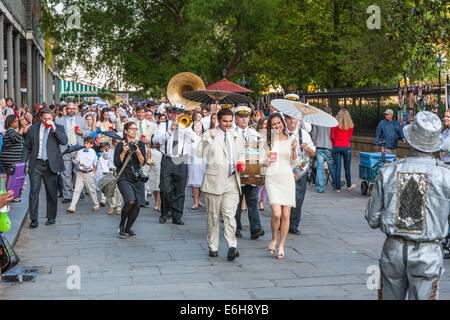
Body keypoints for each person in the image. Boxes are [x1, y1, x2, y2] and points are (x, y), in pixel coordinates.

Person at [366, 111, 450, 300]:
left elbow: (372, 219)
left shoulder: (388, 171)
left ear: (410, 140)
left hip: (393, 250)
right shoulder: (446, 176)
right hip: (428, 252)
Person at [195, 108, 244, 261]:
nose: (228, 124)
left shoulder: (236, 135)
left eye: (230, 121)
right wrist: (209, 138)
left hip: (232, 180)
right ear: (218, 120)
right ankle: (213, 246)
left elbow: (241, 152)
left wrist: (241, 162)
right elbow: (199, 153)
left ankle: (232, 246)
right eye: (225, 121)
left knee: (230, 215)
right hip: (214, 181)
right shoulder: (209, 134)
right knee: (213, 216)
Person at [21, 108, 68, 228]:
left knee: (52, 192)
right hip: (36, 164)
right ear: (41, 118)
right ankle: (34, 219)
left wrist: (54, 128)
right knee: (33, 192)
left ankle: (51, 217)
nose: (47, 120)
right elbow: (27, 146)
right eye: (45, 118)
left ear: (52, 118)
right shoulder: (33, 129)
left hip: (50, 164)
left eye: (49, 118)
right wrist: (22, 163)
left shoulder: (58, 128)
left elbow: (64, 141)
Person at [152, 104, 196, 225]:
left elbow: (195, 139)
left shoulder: (187, 125)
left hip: (181, 159)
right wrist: (171, 130)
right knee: (165, 189)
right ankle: (164, 213)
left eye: (179, 113)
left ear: (183, 114)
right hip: (167, 159)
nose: (176, 116)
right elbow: (156, 141)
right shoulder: (163, 125)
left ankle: (177, 216)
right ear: (170, 113)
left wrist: (185, 128)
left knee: (180, 190)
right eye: (174, 113)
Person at [263, 113, 298, 259]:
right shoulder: (267, 141)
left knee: (286, 214)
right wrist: (267, 159)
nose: (277, 126)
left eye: (279, 123)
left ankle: (281, 244)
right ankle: (274, 238)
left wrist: (295, 149)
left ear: (282, 123)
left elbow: (294, 163)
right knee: (276, 213)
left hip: (287, 177)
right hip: (272, 177)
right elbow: (261, 162)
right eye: (274, 124)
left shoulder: (291, 139)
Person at [233, 106, 265, 240]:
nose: (244, 119)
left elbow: (262, 152)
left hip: (251, 170)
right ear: (236, 119)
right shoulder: (230, 133)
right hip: (235, 171)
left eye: (246, 116)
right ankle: (236, 228)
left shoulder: (255, 134)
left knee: (252, 200)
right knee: (236, 201)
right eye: (241, 116)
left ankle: (255, 229)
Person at [284, 114, 315, 236]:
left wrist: (307, 148)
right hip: (285, 169)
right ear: (285, 120)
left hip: (299, 171)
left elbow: (312, 154)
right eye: (289, 118)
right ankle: (284, 222)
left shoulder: (303, 134)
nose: (292, 121)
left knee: (298, 198)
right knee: (284, 198)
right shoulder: (281, 133)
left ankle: (294, 225)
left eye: (294, 118)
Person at [114, 122, 147, 238]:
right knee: (130, 201)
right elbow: (117, 163)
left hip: (138, 177)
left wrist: (138, 152)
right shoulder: (120, 145)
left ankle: (128, 228)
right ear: (126, 131)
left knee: (138, 204)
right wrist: (123, 151)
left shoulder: (140, 144)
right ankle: (122, 226)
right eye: (131, 129)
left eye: (136, 129)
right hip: (124, 177)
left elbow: (143, 162)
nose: (134, 131)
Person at [55, 102, 91, 203]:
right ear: (66, 109)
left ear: (76, 109)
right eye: (69, 108)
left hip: (78, 149)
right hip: (65, 150)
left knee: (79, 171)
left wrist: (82, 132)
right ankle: (67, 195)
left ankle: (81, 192)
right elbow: (56, 135)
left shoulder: (81, 119)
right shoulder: (59, 121)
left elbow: (88, 132)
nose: (71, 110)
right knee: (65, 174)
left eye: (73, 109)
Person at [66, 137, 100, 213]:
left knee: (91, 190)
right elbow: (76, 161)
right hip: (80, 173)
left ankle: (96, 204)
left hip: (88, 173)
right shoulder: (80, 151)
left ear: (91, 145)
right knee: (76, 190)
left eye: (87, 143)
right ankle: (72, 207)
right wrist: (75, 159)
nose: (85, 145)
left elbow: (89, 164)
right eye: (84, 143)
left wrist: (80, 163)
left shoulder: (92, 152)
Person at [0, 115, 28, 202]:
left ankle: (11, 195)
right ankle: (11, 196)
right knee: (11, 177)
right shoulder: (10, 131)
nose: (17, 123)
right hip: (10, 159)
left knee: (11, 177)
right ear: (10, 123)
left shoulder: (11, 131)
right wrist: (22, 128)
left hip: (11, 158)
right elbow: (16, 139)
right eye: (15, 121)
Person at [311, 107, 337, 193]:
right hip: (329, 147)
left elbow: (314, 133)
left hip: (319, 146)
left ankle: (320, 187)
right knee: (331, 166)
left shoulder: (317, 121)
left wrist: (314, 141)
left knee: (319, 167)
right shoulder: (332, 122)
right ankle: (334, 184)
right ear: (330, 113)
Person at [331, 108, 356, 192]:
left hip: (336, 146)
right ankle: (349, 185)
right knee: (347, 167)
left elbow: (331, 136)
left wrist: (335, 143)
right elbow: (349, 137)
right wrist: (345, 142)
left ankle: (338, 188)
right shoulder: (350, 124)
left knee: (337, 167)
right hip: (346, 146)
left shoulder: (334, 123)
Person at [188, 120, 206, 210]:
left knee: (202, 182)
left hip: (204, 161)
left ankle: (199, 199)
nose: (197, 127)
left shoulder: (205, 136)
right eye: (195, 125)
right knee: (195, 182)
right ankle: (195, 201)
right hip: (194, 161)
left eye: (199, 125)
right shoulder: (191, 136)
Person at [256, 117, 268, 211]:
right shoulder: (256, 135)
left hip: (268, 162)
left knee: (265, 185)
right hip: (258, 162)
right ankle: (257, 199)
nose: (265, 126)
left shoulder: (271, 136)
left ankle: (261, 202)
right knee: (259, 183)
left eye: (267, 124)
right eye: (263, 124)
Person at [148, 137, 162, 211]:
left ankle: (159, 204)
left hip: (161, 169)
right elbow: (147, 160)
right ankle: (156, 200)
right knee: (153, 187)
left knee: (159, 187)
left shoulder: (163, 149)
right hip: (153, 169)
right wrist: (150, 161)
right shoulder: (150, 150)